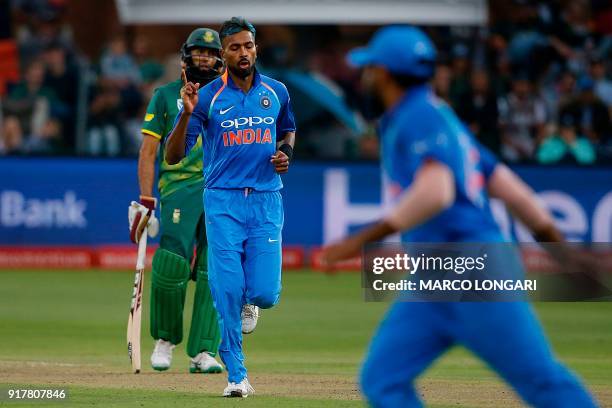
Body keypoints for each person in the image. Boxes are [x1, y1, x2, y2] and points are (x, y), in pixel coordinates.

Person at [322, 26, 597, 408]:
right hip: (436, 275)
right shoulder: (441, 116)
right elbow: (513, 190)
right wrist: (566, 255)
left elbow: (438, 191)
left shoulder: (414, 116)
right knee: (382, 379)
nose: (365, 77)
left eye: (369, 69)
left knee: (541, 381)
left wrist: (360, 240)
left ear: (383, 73)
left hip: (471, 268)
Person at [165, 17, 296, 398]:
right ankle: (237, 375)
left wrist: (285, 152)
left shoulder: (277, 91)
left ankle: (248, 303)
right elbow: (174, 156)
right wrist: (187, 113)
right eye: (235, 47)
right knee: (225, 288)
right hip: (222, 199)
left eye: (248, 46)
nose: (243, 53)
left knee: (265, 293)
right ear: (223, 54)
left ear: (256, 48)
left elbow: (288, 127)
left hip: (266, 199)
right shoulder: (205, 98)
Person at [128, 28, 225, 374]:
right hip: (179, 188)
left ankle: (204, 350)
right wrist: (145, 199)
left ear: (219, 59)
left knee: (216, 269)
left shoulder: (228, 96)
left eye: (210, 53)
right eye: (198, 51)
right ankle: (165, 341)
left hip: (221, 190)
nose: (204, 58)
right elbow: (149, 150)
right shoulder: (166, 95)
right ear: (187, 56)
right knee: (171, 263)